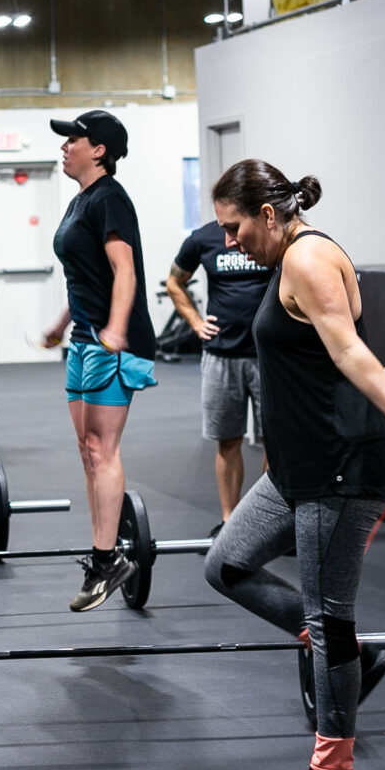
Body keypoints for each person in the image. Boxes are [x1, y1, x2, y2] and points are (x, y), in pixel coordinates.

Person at [201, 159, 385, 770]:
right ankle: (352, 653)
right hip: (294, 470)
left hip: (339, 468)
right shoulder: (287, 257)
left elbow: (350, 352)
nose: (229, 244)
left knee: (329, 621)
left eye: (234, 228)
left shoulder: (309, 260)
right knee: (225, 565)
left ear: (268, 214)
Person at [42, 110, 158, 612]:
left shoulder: (110, 197)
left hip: (113, 343)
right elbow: (84, 273)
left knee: (102, 451)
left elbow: (124, 270)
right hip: (84, 339)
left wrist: (114, 327)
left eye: (74, 139)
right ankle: (103, 554)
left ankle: (106, 559)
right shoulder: (80, 200)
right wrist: (60, 323)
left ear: (100, 150)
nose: (64, 146)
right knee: (86, 451)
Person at [166, 220, 270, 535]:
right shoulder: (203, 238)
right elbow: (174, 282)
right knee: (228, 441)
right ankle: (230, 522)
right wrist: (196, 322)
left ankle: (269, 523)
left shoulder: (266, 233)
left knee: (275, 445)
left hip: (269, 356)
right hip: (221, 355)